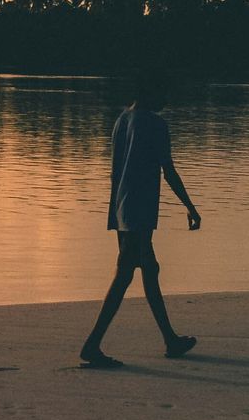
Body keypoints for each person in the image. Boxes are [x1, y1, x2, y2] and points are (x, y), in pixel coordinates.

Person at [80, 79, 202, 365]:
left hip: (122, 207)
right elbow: (168, 171)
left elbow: (115, 171)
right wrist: (190, 207)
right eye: (163, 91)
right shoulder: (155, 125)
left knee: (149, 268)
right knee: (125, 274)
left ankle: (171, 340)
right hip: (140, 209)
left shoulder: (122, 120)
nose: (167, 99)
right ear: (149, 90)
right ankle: (92, 345)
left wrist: (116, 212)